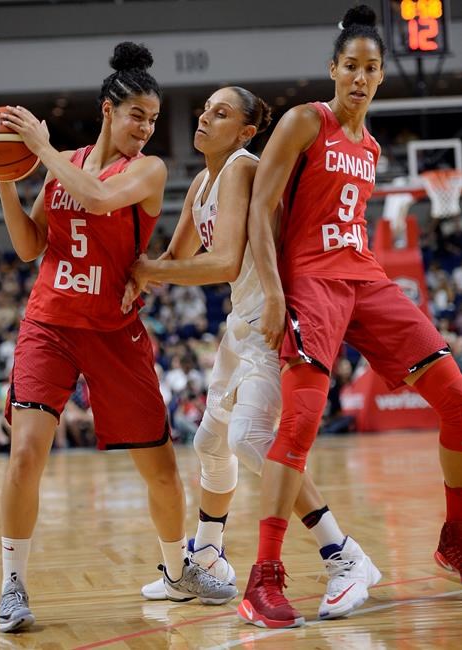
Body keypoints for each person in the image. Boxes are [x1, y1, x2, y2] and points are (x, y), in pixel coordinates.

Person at [0, 42, 236, 634]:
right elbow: (30, 248)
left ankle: (178, 569)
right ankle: (12, 586)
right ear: (108, 109)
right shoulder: (62, 168)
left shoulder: (144, 171)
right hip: (49, 323)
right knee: (26, 452)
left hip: (113, 329)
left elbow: (100, 198)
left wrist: (41, 149)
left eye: (153, 119)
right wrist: (5, 178)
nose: (146, 129)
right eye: (137, 116)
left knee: (160, 468)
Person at [238, 4, 462, 629]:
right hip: (311, 281)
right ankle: (264, 579)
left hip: (365, 277)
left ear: (382, 76)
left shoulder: (370, 144)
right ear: (332, 69)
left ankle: (455, 538)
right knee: (301, 424)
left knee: (456, 398)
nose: (359, 78)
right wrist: (278, 292)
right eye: (349, 67)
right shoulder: (305, 122)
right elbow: (260, 210)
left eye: (370, 68)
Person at [122, 85, 380, 620]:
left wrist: (151, 270)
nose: (204, 118)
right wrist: (135, 277)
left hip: (271, 316)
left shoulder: (241, 167)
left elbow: (219, 263)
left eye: (220, 113)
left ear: (243, 132)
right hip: (240, 320)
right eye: (203, 110)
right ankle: (210, 558)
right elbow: (177, 256)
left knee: (250, 439)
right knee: (210, 442)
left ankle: (345, 554)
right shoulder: (201, 181)